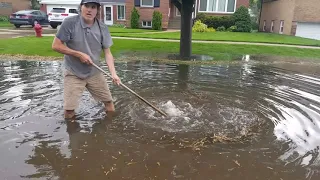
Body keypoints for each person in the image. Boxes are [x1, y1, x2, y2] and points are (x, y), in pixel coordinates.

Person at [52, 0, 121, 119]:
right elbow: (56, 45)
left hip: (94, 72)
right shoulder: (70, 23)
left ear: (97, 10)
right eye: (87, 6)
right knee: (69, 111)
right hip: (73, 72)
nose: (89, 10)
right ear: (81, 7)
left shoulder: (102, 28)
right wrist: (78, 54)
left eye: (93, 7)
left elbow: (108, 53)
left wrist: (114, 74)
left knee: (109, 103)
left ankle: (109, 130)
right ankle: (72, 134)